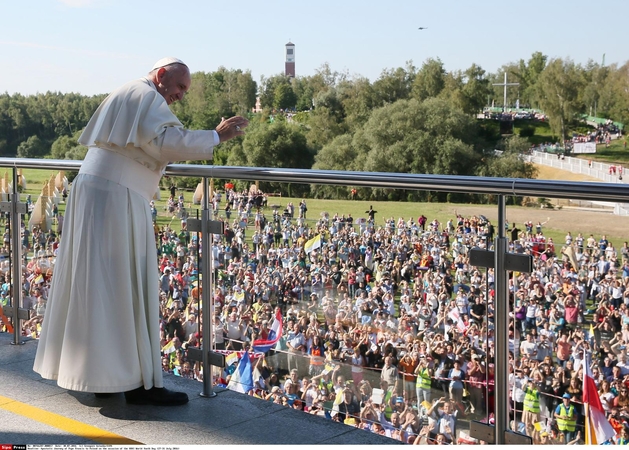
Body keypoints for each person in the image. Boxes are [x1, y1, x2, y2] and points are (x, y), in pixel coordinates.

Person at [33, 57, 248, 406]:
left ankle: (104, 376)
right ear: (161, 75)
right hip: (116, 195)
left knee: (99, 285)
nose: (180, 95)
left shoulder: (131, 92)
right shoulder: (145, 96)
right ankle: (133, 383)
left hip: (102, 191)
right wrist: (216, 135)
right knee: (121, 284)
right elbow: (164, 142)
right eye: (179, 86)